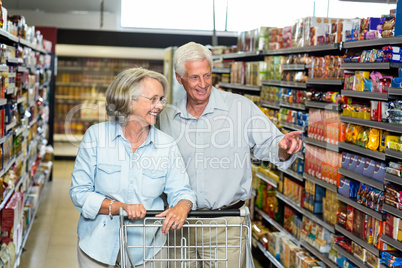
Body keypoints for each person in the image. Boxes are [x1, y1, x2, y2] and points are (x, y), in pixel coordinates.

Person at [158, 42, 303, 267]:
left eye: (207, 75)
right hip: (179, 226)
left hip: (225, 226)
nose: (203, 84)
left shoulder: (240, 107)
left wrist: (284, 146)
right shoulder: (167, 118)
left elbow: (271, 144)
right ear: (180, 79)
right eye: (194, 77)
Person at [70, 67, 196, 268]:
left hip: (148, 251)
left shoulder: (166, 145)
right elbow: (79, 193)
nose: (160, 106)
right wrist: (121, 208)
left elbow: (182, 191)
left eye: (161, 99)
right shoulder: (96, 137)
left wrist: (182, 205)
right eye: (153, 99)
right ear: (129, 100)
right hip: (97, 249)